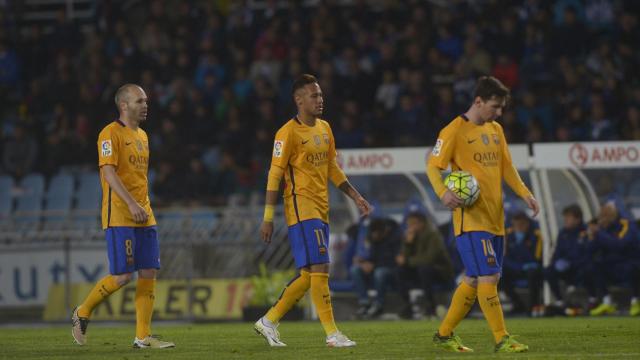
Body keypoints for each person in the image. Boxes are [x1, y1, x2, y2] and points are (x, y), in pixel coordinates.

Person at [254, 74, 372, 347]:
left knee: (310, 275)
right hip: (300, 206)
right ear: (299, 100)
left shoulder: (325, 128)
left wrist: (355, 196)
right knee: (322, 267)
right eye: (314, 96)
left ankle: (268, 321)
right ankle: (332, 333)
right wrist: (268, 218)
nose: (320, 100)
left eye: (320, 95)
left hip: (321, 207)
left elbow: (332, 167)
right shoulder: (287, 133)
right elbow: (274, 176)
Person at [426, 76, 539, 353]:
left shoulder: (496, 130)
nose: (499, 112)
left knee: (476, 279)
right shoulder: (453, 130)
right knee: (488, 277)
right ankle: (502, 338)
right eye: (495, 106)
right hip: (470, 218)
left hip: (495, 218)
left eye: (501, 108)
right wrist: (443, 193)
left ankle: (443, 334)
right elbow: (432, 165)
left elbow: (507, 168)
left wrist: (525, 193)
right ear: (478, 101)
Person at [71, 84, 174, 349]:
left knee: (149, 271)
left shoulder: (143, 136)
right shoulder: (109, 134)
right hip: (120, 213)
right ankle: (83, 311)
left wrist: (142, 205)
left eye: (146, 101)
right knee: (123, 276)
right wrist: (130, 204)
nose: (145, 105)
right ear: (124, 105)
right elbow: (108, 173)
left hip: (144, 213)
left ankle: (142, 336)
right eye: (140, 101)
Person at [396, 211, 454, 319]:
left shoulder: (433, 235)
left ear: (422, 223)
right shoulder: (410, 236)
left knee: (424, 270)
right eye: (409, 224)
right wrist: (408, 244)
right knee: (400, 271)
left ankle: (430, 306)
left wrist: (408, 261)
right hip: (419, 269)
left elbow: (429, 259)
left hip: (440, 271)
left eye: (414, 224)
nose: (410, 227)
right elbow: (403, 257)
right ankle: (407, 306)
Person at [588, 203, 640, 316]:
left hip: (628, 261)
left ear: (613, 214)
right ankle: (607, 302)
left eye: (605, 215)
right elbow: (590, 250)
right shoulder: (602, 229)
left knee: (634, 269)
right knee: (593, 265)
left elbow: (619, 245)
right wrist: (593, 236)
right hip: (612, 264)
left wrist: (599, 233)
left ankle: (636, 301)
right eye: (601, 216)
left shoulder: (626, 225)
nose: (602, 218)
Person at [544, 204, 594, 316]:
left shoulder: (586, 232)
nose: (565, 220)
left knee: (589, 268)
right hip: (565, 267)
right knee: (548, 271)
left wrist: (571, 263)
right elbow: (557, 252)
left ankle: (592, 299)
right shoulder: (563, 233)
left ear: (578, 219)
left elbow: (587, 253)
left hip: (580, 267)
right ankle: (560, 301)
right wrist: (557, 262)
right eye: (565, 217)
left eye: (568, 217)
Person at [350, 217, 400, 319]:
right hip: (375, 267)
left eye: (376, 234)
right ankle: (364, 303)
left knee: (379, 272)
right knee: (355, 270)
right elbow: (372, 256)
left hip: (391, 271)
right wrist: (363, 262)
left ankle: (378, 304)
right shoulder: (373, 238)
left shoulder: (396, 238)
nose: (374, 236)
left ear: (384, 231)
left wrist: (373, 265)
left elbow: (395, 260)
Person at [501, 212, 543, 316]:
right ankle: (518, 304)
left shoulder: (536, 235)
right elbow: (504, 258)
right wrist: (519, 267)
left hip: (530, 269)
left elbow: (537, 258)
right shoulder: (507, 235)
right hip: (515, 268)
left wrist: (522, 246)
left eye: (522, 224)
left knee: (534, 274)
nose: (519, 227)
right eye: (516, 225)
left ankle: (532, 307)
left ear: (527, 224)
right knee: (499, 276)